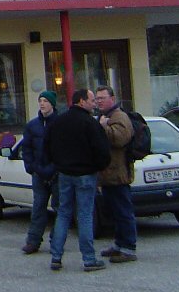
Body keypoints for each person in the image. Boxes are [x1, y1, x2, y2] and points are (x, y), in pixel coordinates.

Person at [46, 88, 111, 272]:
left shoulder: (58, 122)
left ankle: (56, 257)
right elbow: (102, 150)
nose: (94, 103)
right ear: (81, 101)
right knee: (84, 215)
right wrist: (99, 167)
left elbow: (47, 146)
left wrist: (57, 164)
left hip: (65, 174)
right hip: (85, 175)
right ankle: (89, 259)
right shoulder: (90, 123)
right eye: (91, 100)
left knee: (63, 213)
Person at [94, 85, 137, 263]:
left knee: (123, 211)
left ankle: (128, 247)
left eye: (102, 98)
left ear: (112, 98)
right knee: (115, 211)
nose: (99, 102)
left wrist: (104, 127)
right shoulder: (106, 117)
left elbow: (120, 139)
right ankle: (119, 244)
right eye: (97, 99)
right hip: (108, 174)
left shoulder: (119, 116)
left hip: (118, 174)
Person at [21, 90, 59, 254]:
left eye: (45, 101)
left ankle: (57, 241)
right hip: (38, 172)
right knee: (38, 208)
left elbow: (64, 148)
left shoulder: (60, 123)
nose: (42, 104)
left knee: (59, 208)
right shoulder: (32, 125)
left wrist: (57, 167)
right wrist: (30, 166)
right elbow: (26, 148)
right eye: (40, 101)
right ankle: (33, 241)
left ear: (52, 104)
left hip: (57, 173)